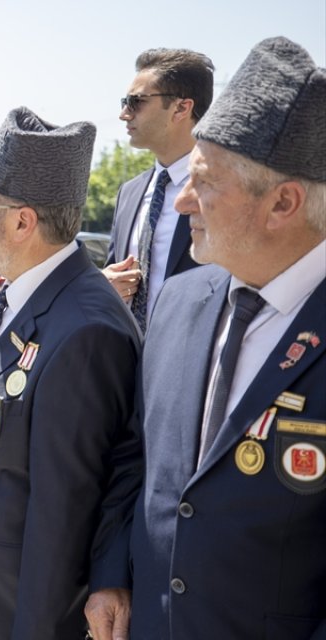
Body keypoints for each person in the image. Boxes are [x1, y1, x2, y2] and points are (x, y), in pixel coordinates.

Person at [123, 37, 326, 640]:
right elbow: (138, 456)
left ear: (282, 203)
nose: (182, 199)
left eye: (204, 182)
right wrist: (113, 574)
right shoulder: (181, 302)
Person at [0, 108, 141, 639]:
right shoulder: (31, 295)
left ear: (22, 221)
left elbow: (63, 515)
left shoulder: (84, 329)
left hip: (21, 610)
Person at [104, 49, 214, 329]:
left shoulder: (225, 190)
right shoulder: (129, 193)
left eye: (136, 102)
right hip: (124, 362)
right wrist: (103, 286)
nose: (123, 114)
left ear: (181, 108)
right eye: (124, 102)